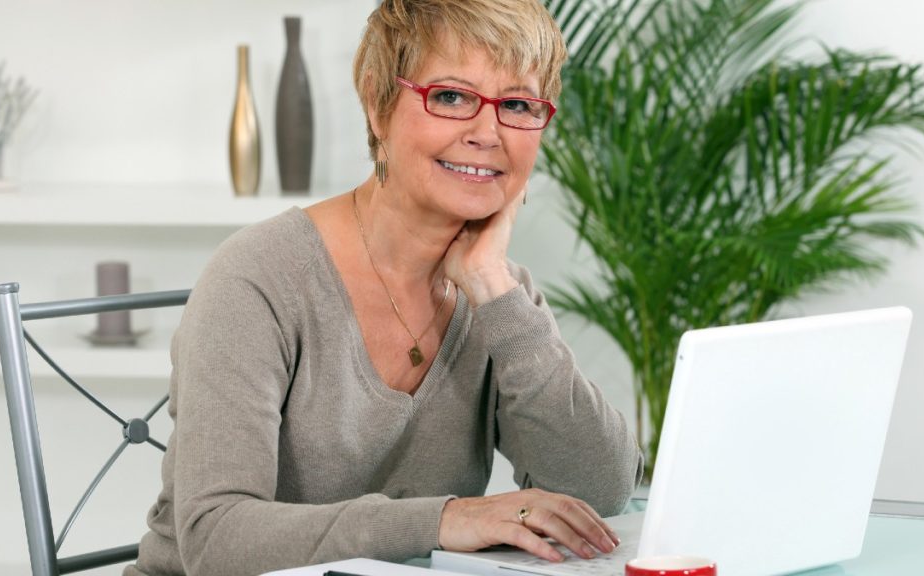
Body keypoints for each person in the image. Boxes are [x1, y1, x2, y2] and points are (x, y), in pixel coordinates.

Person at [127, 1, 642, 574]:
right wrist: (444, 520)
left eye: (517, 105)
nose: (487, 133)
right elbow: (216, 540)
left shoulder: (499, 294)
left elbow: (602, 487)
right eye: (451, 96)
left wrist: (493, 288)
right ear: (378, 105)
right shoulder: (258, 275)